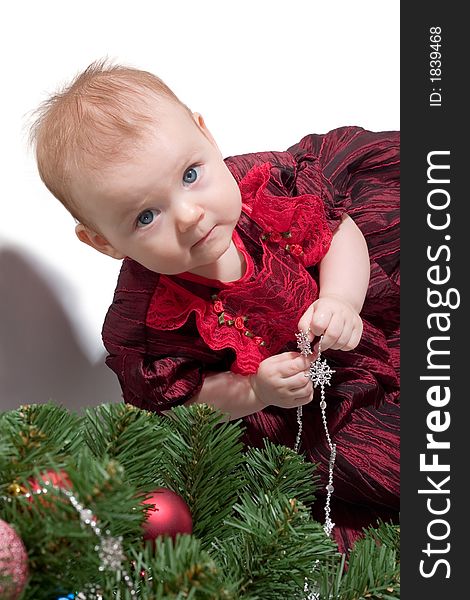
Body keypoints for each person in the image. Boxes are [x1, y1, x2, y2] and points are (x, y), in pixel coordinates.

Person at [30, 60, 400, 554]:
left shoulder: (263, 185)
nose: (188, 216)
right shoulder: (144, 319)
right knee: (381, 468)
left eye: (190, 174)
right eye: (145, 216)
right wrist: (255, 390)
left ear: (206, 134)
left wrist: (340, 299)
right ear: (102, 241)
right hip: (304, 411)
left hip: (360, 324)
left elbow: (338, 229)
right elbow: (185, 401)